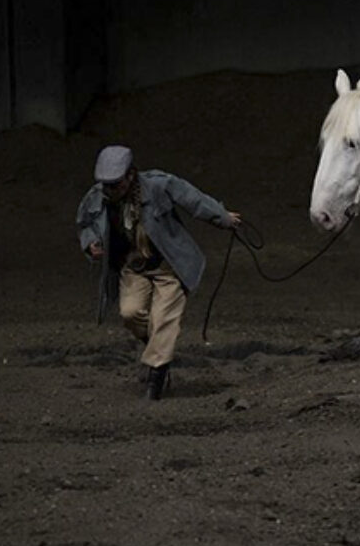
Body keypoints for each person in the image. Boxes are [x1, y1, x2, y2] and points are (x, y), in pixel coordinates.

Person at [76, 145, 241, 400]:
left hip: (168, 265)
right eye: (106, 185)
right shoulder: (98, 197)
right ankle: (158, 349)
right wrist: (90, 242)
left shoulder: (158, 185)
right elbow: (85, 222)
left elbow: (193, 199)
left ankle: (157, 376)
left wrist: (222, 217)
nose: (111, 190)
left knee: (164, 318)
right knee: (130, 313)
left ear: (131, 175)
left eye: (116, 184)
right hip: (133, 266)